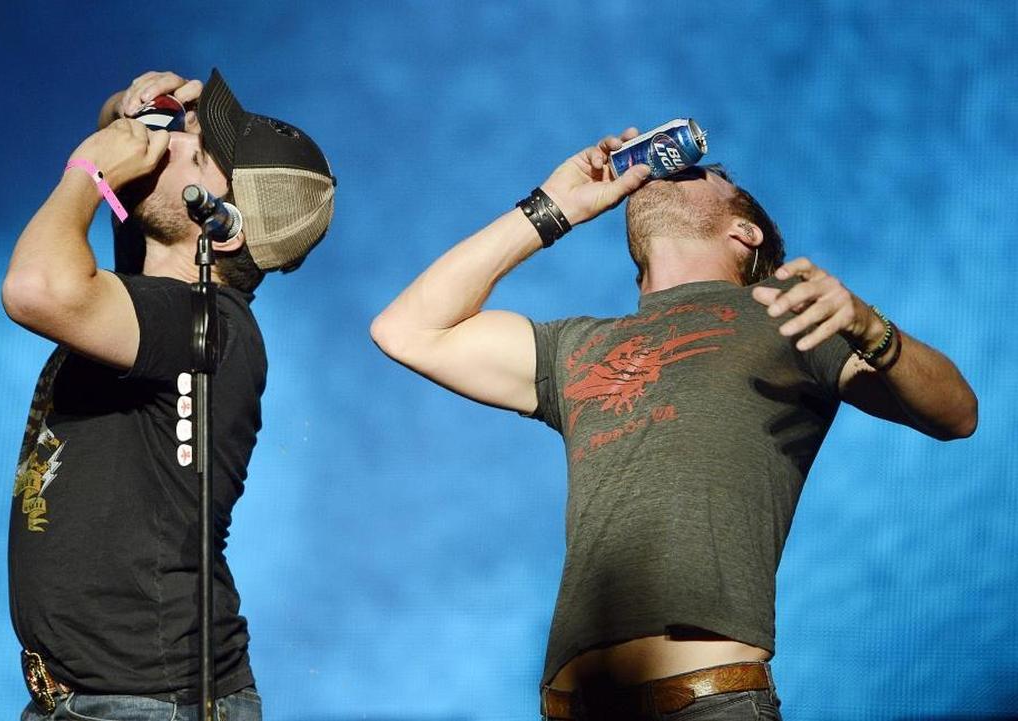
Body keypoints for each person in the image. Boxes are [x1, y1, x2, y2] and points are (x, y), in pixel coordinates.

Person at [370, 127, 977, 720]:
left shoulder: (790, 314)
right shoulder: (576, 346)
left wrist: (872, 330)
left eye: (696, 170)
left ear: (746, 230)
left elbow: (958, 413)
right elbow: (407, 330)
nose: (662, 169)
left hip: (707, 701)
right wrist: (552, 208)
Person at [2, 69, 334, 720]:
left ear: (224, 227)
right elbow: (114, 127)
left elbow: (34, 288)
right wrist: (140, 109)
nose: (174, 137)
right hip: (93, 699)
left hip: (153, 703)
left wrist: (89, 172)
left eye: (198, 150)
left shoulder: (204, 323)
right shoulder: (148, 285)